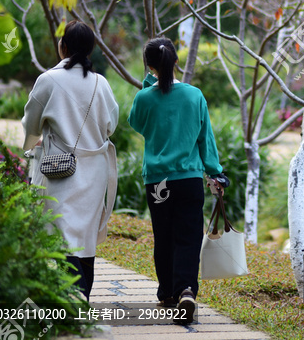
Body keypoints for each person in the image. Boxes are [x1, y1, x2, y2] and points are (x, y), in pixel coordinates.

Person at [128, 37, 229, 325]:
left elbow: (137, 123)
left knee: (164, 236)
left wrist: (148, 83)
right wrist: (215, 171)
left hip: (158, 183)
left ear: (149, 65)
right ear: (175, 62)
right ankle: (186, 289)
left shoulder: (144, 97)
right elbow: (204, 139)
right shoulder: (194, 95)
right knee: (187, 237)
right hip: (188, 180)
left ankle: (167, 295)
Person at [22, 21, 119, 302]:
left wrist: (32, 146)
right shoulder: (101, 83)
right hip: (95, 169)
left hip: (59, 168)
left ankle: (73, 297)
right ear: (90, 49)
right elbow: (110, 124)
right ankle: (81, 297)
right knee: (85, 234)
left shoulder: (49, 80)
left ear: (62, 46)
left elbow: (31, 125)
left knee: (62, 230)